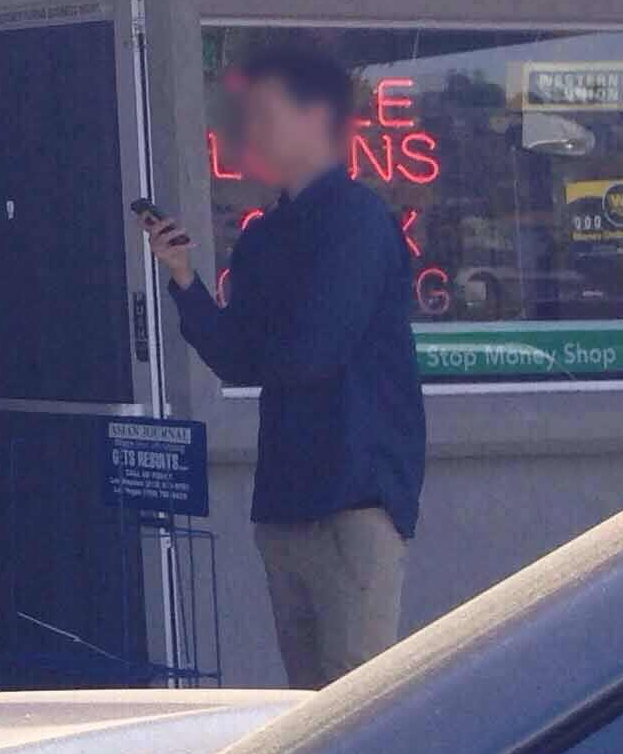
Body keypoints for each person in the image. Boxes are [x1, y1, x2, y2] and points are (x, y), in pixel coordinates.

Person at [142, 45, 426, 690]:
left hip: (356, 491)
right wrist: (184, 279)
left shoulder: (357, 222)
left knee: (355, 702)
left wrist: (264, 339)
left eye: (267, 116)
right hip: (286, 497)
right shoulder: (266, 236)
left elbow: (312, 350)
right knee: (302, 706)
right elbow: (240, 356)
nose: (253, 133)